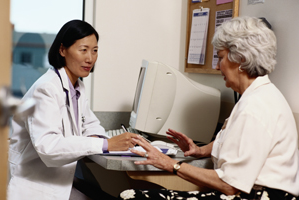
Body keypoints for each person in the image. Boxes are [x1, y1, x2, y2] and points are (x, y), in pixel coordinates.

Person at [118, 16, 299, 200]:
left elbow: (229, 185)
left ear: (241, 59)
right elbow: (240, 145)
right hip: (253, 194)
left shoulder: (255, 107)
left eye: (220, 58)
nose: (217, 66)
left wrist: (170, 164)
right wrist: (201, 151)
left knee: (133, 197)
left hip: (261, 197)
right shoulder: (258, 97)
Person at [8, 19, 136, 200]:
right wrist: (106, 144)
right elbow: (49, 148)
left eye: (95, 51)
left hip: (60, 181)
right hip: (37, 186)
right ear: (62, 50)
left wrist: (100, 138)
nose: (90, 58)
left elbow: (90, 124)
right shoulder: (46, 89)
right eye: (83, 50)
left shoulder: (76, 86)